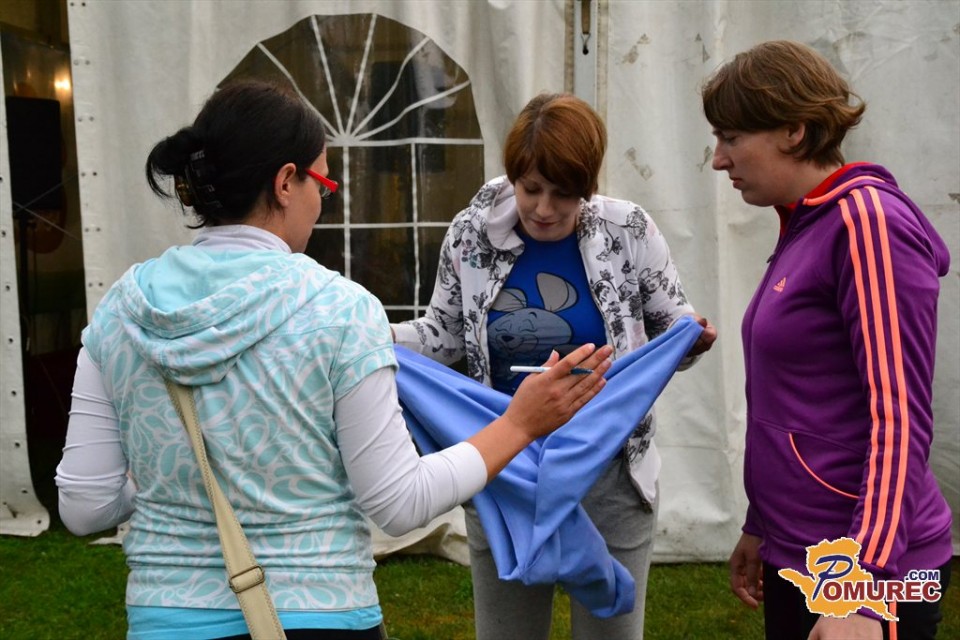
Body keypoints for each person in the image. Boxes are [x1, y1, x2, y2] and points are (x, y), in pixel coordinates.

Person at [54, 79, 614, 640]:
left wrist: (168, 485)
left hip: (167, 617)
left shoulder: (121, 311)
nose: (322, 202)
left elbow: (84, 506)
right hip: (321, 612)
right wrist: (519, 425)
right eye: (322, 182)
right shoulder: (339, 311)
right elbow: (398, 502)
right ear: (285, 183)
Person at [391, 92, 717, 640]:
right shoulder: (470, 235)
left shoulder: (629, 231)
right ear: (513, 175)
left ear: (588, 186)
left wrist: (692, 340)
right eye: (531, 189)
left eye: (563, 194)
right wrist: (375, 336)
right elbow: (442, 337)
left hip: (612, 474)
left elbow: (672, 328)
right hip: (505, 467)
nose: (544, 208)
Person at [701, 40, 953, 640]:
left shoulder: (866, 224)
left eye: (731, 137)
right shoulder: (808, 223)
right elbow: (799, 400)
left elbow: (900, 416)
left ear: (794, 130)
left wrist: (862, 588)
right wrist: (763, 524)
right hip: (802, 554)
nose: (718, 159)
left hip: (866, 572)